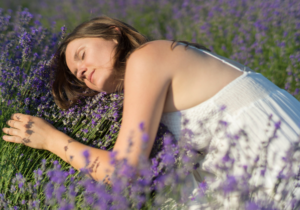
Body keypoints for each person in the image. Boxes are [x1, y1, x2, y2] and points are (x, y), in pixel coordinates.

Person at [2, 16, 300, 208]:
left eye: (82, 55)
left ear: (113, 33)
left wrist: (52, 140)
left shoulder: (147, 57)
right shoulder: (153, 66)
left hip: (281, 169)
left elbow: (123, 172)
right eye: (78, 75)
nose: (82, 70)